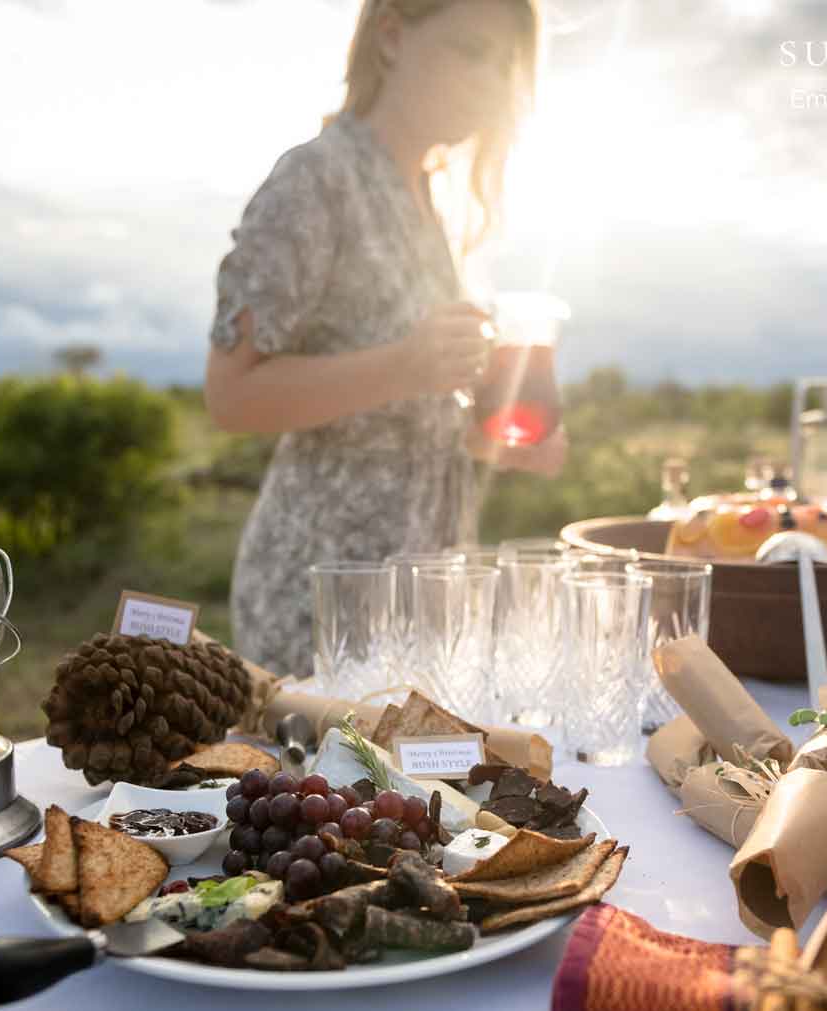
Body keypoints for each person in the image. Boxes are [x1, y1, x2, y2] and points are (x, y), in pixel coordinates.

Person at [205, 0, 565, 677]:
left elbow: (408, 410)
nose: (490, 82)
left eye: (504, 65)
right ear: (393, 36)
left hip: (427, 606)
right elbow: (230, 395)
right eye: (470, 51)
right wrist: (404, 366)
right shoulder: (316, 179)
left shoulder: (432, 201)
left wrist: (492, 437)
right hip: (322, 610)